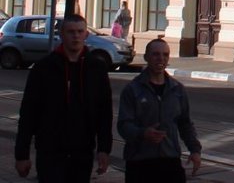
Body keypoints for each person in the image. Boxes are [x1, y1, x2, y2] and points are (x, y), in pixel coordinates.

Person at [15, 12, 113, 181]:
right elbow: (29, 112)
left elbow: (104, 112)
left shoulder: (96, 68)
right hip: (50, 150)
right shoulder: (44, 68)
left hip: (82, 151)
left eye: (80, 31)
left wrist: (104, 149)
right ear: (61, 34)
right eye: (71, 32)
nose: (76, 36)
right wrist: (22, 154)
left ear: (86, 34)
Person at [117, 39, 202, 181]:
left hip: (170, 160)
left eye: (165, 55)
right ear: (146, 57)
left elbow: (185, 123)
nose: (161, 58)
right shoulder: (132, 90)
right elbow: (123, 125)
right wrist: (143, 133)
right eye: (156, 54)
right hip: (140, 162)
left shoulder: (177, 89)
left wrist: (195, 150)